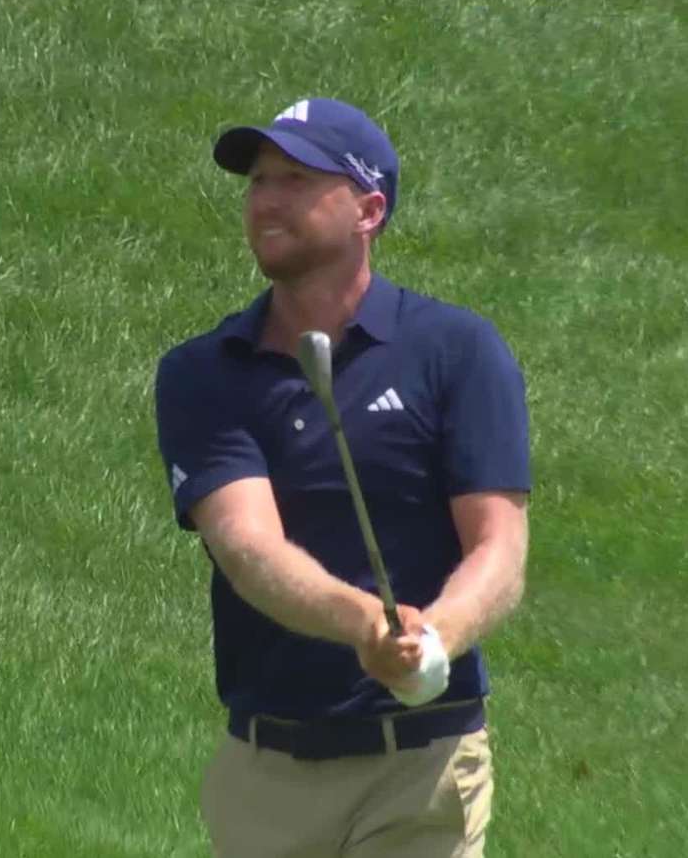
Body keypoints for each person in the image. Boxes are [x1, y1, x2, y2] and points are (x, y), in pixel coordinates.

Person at [153, 97, 530, 857]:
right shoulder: (204, 372)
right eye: (259, 179)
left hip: (422, 765)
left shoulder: (455, 351)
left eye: (297, 178)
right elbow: (247, 549)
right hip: (267, 773)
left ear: (369, 209)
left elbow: (499, 547)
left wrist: (434, 638)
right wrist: (366, 625)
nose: (267, 198)